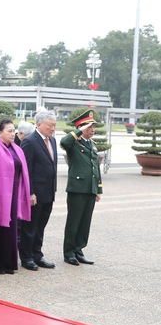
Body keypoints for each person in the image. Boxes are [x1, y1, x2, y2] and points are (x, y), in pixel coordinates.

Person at [0, 119, 31, 274]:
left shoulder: (17, 149)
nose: (13, 134)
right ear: (0, 132)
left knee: (11, 227)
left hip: (14, 192)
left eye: (14, 130)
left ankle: (8, 262)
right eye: (9, 131)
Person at [61, 110, 102, 266]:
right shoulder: (74, 143)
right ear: (81, 127)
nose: (92, 130)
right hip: (77, 188)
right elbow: (64, 142)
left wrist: (98, 189)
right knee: (74, 222)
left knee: (85, 222)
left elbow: (95, 167)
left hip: (90, 189)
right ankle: (69, 252)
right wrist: (79, 131)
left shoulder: (92, 144)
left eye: (93, 127)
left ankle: (79, 250)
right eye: (89, 127)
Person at [19, 111, 58, 271]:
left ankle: (37, 254)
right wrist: (30, 192)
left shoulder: (53, 141)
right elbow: (26, 169)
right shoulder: (30, 141)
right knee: (30, 227)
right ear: (40, 124)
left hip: (48, 192)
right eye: (50, 125)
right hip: (35, 193)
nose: (53, 129)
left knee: (41, 226)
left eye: (54, 125)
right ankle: (26, 257)